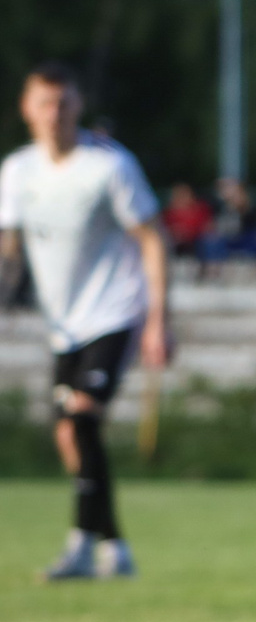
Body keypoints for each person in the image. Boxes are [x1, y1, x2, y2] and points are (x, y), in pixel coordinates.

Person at [0, 63, 171, 581]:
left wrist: (158, 320)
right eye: (45, 103)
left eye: (64, 102)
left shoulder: (109, 166)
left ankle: (80, 546)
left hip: (115, 311)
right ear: (26, 109)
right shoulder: (17, 171)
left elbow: (152, 237)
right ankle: (114, 547)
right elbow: (9, 250)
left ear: (78, 106)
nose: (55, 114)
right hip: (64, 324)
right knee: (70, 438)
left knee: (80, 418)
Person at [160, 183, 212, 262]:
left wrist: (190, 233)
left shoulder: (200, 209)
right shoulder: (168, 213)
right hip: (176, 242)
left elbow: (209, 227)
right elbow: (164, 229)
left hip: (197, 241)